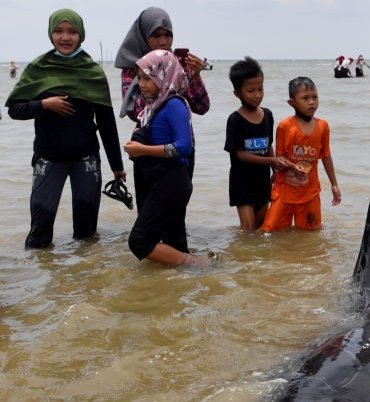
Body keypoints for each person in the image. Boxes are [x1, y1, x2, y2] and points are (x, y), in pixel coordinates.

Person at [7, 9, 124, 250]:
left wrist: (117, 165)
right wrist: (44, 104)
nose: (65, 37)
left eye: (72, 31)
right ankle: (38, 273)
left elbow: (106, 122)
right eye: (59, 31)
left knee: (86, 234)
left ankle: (84, 272)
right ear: (51, 34)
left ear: (81, 35)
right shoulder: (37, 69)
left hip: (86, 159)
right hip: (48, 158)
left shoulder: (93, 72)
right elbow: (15, 109)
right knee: (39, 232)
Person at [123, 50, 211, 266]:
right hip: (160, 181)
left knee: (139, 240)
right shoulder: (153, 106)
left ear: (164, 76)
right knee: (174, 241)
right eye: (139, 78)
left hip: (172, 183)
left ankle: (195, 263)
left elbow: (184, 147)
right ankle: (194, 277)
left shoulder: (174, 104)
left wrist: (142, 149)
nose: (141, 84)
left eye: (147, 78)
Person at [115, 7, 210, 192]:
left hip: (180, 147)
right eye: (156, 35)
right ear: (143, 36)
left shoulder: (176, 65)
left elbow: (202, 107)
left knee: (177, 203)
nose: (163, 41)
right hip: (147, 147)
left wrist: (195, 77)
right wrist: (160, 81)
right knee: (147, 205)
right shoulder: (132, 69)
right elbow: (136, 111)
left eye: (168, 35)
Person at [261, 77, 342, 233]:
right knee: (270, 232)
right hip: (284, 191)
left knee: (311, 234)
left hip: (310, 192)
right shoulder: (285, 126)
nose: (311, 102)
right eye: (305, 98)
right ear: (292, 103)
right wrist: (293, 167)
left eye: (315, 97)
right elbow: (280, 158)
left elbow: (326, 156)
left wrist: (334, 185)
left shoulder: (323, 126)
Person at [225, 56, 282, 231]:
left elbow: (268, 145)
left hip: (262, 182)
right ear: (238, 93)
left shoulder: (268, 115)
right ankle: (240, 250)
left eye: (261, 89)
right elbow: (240, 155)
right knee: (248, 227)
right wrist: (272, 161)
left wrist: (275, 171)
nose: (257, 95)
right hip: (242, 184)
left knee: (261, 228)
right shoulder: (235, 120)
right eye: (251, 90)